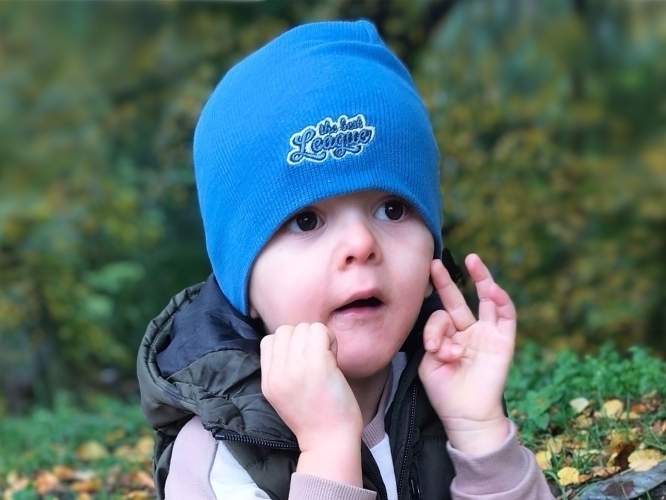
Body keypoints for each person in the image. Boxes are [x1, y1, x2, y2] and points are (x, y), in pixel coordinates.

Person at [137, 20, 555, 500]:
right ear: (244, 285)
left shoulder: (440, 389)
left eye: (392, 209)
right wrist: (328, 449)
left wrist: (479, 433)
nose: (361, 243)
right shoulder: (219, 458)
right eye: (306, 221)